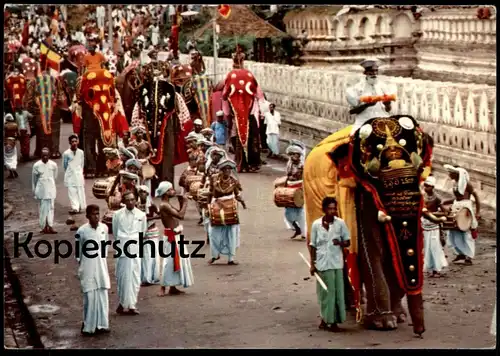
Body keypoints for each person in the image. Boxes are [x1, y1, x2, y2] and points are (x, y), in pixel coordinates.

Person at [309, 197, 350, 332]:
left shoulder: (340, 224)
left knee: (336, 293)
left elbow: (348, 242)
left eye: (334, 208)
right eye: (330, 208)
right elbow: (313, 245)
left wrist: (340, 243)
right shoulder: (316, 225)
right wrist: (313, 264)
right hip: (322, 263)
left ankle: (333, 322)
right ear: (324, 209)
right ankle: (324, 319)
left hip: (336, 264)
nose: (332, 211)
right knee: (324, 293)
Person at [75, 204, 111, 336]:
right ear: (87, 216)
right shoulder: (82, 231)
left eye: (98, 213)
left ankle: (102, 324)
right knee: (90, 296)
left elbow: (105, 246)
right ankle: (88, 326)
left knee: (102, 293)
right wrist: (82, 266)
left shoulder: (104, 228)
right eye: (93, 214)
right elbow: (78, 252)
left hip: (101, 265)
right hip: (88, 266)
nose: (96, 216)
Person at [156, 181, 194, 296]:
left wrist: (181, 201)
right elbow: (181, 215)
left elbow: (176, 213)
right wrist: (186, 202)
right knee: (168, 262)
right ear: (166, 193)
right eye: (171, 189)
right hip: (171, 236)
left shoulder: (167, 203)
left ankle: (172, 287)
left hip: (175, 234)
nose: (173, 191)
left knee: (176, 261)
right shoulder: (164, 205)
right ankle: (163, 287)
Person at [112, 191, 147, 315]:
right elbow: (115, 232)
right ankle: (122, 303)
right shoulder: (117, 215)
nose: (131, 202)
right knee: (122, 277)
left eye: (133, 199)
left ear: (136, 200)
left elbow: (143, 232)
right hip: (122, 248)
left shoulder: (141, 215)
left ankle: (132, 305)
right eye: (128, 200)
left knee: (134, 277)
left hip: (135, 249)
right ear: (124, 201)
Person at [208, 159, 246, 265]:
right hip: (217, 206)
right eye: (225, 169)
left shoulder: (233, 181)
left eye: (229, 169)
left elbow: (237, 194)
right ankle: (215, 255)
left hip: (230, 207)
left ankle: (231, 258)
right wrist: (208, 206)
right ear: (221, 170)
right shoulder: (214, 179)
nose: (228, 171)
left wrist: (242, 203)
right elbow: (210, 193)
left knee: (232, 232)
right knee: (213, 233)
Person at [443, 165, 480, 265]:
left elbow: (476, 197)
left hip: (465, 207)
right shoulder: (455, 183)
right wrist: (445, 201)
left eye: (451, 173)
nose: (449, 174)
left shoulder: (467, 184)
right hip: (457, 206)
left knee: (465, 231)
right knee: (454, 231)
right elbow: (457, 198)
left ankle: (469, 257)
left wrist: (477, 212)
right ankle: (460, 254)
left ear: (456, 174)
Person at [345, 59, 395, 135]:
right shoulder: (357, 88)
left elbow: (388, 110)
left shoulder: (384, 87)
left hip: (382, 120)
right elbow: (352, 111)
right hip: (363, 122)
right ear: (365, 72)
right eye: (371, 71)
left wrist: (387, 105)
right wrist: (367, 105)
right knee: (356, 138)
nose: (374, 73)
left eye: (376, 71)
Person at [421, 176, 448, 277]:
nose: (426, 188)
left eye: (428, 186)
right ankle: (431, 268)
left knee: (435, 246)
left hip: (434, 225)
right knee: (427, 247)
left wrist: (434, 215)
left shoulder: (437, 198)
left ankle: (437, 269)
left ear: (432, 187)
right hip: (425, 224)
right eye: (425, 186)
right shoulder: (422, 197)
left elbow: (444, 212)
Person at [137, 185, 161, 286]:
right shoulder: (136, 205)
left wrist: (149, 219)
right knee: (144, 255)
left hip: (151, 231)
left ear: (147, 194)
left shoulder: (151, 205)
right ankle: (145, 276)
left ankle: (151, 276)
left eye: (144, 192)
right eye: (140, 192)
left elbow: (160, 214)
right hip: (141, 232)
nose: (142, 194)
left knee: (151, 254)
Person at [32, 147, 58, 234]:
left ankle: (50, 226)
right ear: (41, 156)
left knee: (51, 208)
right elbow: (34, 180)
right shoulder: (36, 165)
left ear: (49, 155)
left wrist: (49, 183)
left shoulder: (53, 165)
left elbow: (55, 176)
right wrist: (35, 190)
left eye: (47, 155)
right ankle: (43, 226)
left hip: (50, 189)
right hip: (41, 190)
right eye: (43, 156)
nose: (45, 157)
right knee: (43, 209)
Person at [63, 134, 86, 215]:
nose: (74, 143)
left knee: (80, 190)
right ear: (69, 142)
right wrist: (70, 172)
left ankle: (80, 206)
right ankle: (75, 208)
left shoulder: (81, 152)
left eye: (76, 141)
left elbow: (82, 163)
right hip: (70, 175)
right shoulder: (66, 153)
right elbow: (65, 165)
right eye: (72, 141)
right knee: (72, 191)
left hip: (79, 174)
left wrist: (80, 171)